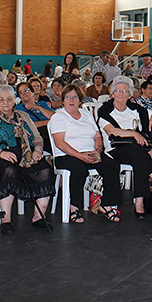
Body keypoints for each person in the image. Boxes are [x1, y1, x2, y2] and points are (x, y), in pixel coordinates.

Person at [0, 85, 55, 234]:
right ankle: (6, 219)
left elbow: (37, 138)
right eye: (1, 100)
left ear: (14, 101)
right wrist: (0, 153)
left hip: (25, 154)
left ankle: (39, 217)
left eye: (8, 99)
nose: (5, 103)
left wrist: (37, 150)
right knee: (9, 170)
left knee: (45, 169)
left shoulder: (23, 116)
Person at [98, 77, 152, 218]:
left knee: (142, 154)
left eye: (125, 91)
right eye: (118, 91)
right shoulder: (105, 110)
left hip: (137, 150)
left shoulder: (136, 109)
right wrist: (133, 134)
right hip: (115, 150)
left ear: (130, 95)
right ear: (112, 93)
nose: (121, 94)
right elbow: (111, 131)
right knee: (137, 151)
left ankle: (140, 202)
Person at [50, 84, 122, 222]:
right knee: (79, 169)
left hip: (90, 152)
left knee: (112, 166)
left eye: (75, 97)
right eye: (68, 97)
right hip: (67, 155)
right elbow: (59, 143)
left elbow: (97, 137)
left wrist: (98, 151)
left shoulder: (86, 114)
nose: (71, 100)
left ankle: (106, 205)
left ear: (80, 100)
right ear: (63, 100)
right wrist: (80, 156)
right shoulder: (58, 117)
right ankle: (74, 208)